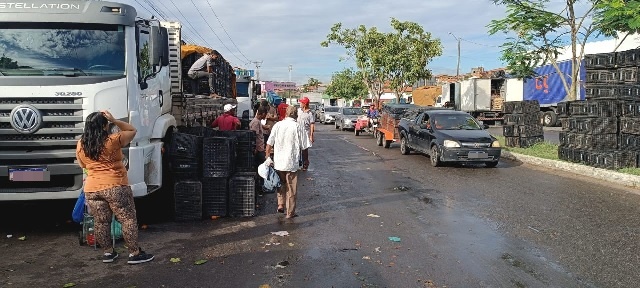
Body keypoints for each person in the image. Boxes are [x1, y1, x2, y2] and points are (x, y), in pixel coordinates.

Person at [75, 111, 154, 265]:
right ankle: (134, 254)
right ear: (104, 126)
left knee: (101, 222)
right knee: (127, 219)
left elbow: (83, 165)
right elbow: (131, 131)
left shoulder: (81, 144)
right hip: (115, 186)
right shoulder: (112, 140)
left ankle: (108, 253)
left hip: (92, 189)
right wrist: (114, 120)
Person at [265, 105, 303, 219]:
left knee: (280, 184)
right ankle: (290, 212)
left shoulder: (278, 125)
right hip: (292, 162)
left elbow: (269, 143)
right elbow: (305, 146)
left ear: (285, 114)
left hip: (279, 162)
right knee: (291, 188)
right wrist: (305, 159)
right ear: (296, 115)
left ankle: (280, 204)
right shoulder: (297, 126)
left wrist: (267, 156)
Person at [297, 97, 315, 171]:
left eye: (301, 102)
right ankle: (298, 163)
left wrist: (311, 136)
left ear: (304, 104)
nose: (300, 104)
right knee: (297, 149)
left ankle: (305, 164)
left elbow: (312, 125)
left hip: (305, 133)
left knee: (304, 150)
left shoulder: (310, 113)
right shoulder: (298, 111)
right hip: (297, 132)